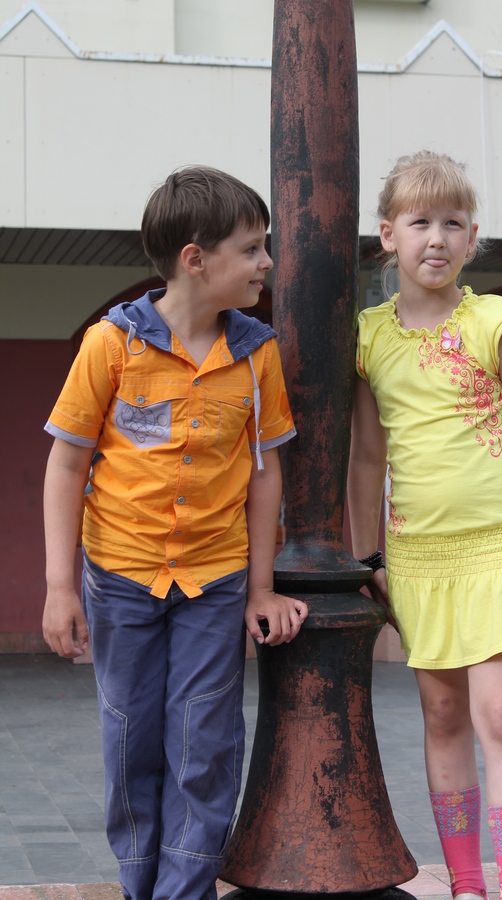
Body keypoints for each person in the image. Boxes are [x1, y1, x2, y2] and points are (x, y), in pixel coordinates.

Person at [42, 166, 308, 900]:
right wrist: (60, 587)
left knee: (205, 740)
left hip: (214, 580)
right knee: (130, 737)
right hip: (119, 575)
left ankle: (184, 891)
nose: (265, 263)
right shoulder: (110, 344)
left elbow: (264, 474)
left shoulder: (257, 354)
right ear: (196, 259)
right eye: (251, 249)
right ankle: (140, 885)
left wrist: (261, 588)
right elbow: (66, 464)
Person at [347, 150, 502, 900]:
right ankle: (466, 886)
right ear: (388, 235)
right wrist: (369, 559)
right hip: (418, 559)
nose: (437, 238)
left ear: (472, 238)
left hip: (499, 552)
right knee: (443, 715)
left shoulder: (498, 323)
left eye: (454, 223)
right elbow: (366, 460)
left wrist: (493, 499)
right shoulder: (369, 338)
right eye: (420, 222)